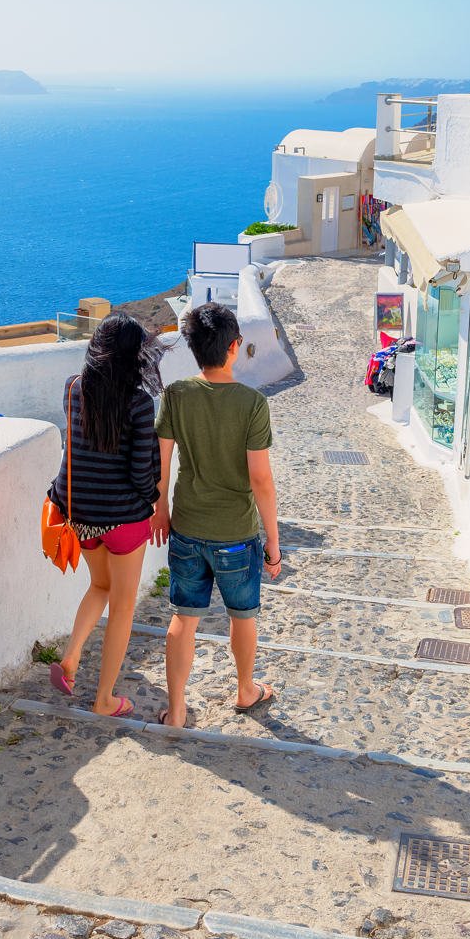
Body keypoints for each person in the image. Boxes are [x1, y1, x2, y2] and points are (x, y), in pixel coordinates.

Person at [152, 301, 281, 728]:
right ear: (234, 346)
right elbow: (260, 479)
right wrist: (274, 544)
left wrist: (161, 511)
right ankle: (246, 690)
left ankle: (176, 710)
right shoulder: (251, 403)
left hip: (187, 526)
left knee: (183, 617)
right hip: (237, 534)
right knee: (242, 616)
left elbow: (162, 463)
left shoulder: (176, 395)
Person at [46, 314, 160, 718]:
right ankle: (105, 698)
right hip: (124, 519)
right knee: (124, 607)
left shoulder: (73, 388)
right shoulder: (140, 403)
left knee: (100, 586)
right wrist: (153, 501)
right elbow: (139, 474)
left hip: (81, 515)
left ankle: (71, 658)